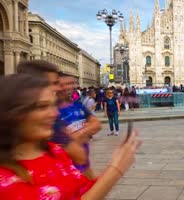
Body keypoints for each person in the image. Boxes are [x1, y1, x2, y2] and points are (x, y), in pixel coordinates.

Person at [0, 74, 141, 199]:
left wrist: (117, 162)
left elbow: (84, 190)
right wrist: (115, 169)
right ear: (12, 114)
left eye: (53, 105)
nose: (54, 113)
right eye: (42, 107)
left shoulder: (54, 151)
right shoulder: (5, 179)